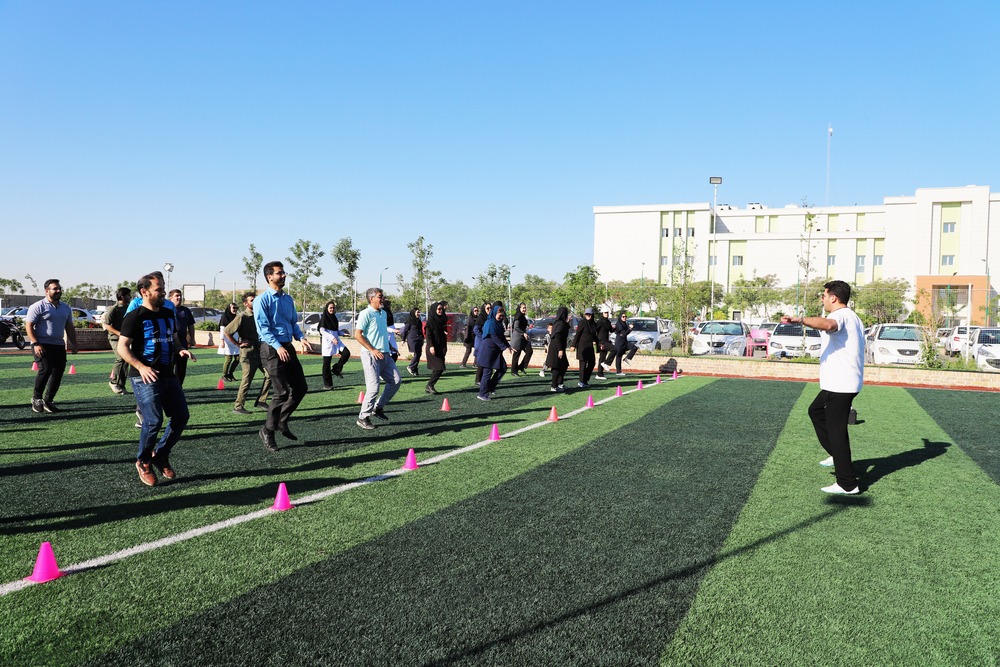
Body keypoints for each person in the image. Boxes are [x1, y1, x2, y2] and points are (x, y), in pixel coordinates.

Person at [781, 280, 865, 495]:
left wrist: (799, 319)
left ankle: (848, 484)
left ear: (834, 298)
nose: (822, 299)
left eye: (824, 295)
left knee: (837, 432)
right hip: (838, 383)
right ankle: (836, 455)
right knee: (815, 410)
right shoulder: (852, 316)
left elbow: (829, 325)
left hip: (842, 385)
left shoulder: (840, 316)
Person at [117, 273, 196, 486]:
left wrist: (181, 350)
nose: (163, 292)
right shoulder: (135, 316)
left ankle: (160, 455)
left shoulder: (168, 314)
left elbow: (175, 338)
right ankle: (143, 461)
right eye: (159, 289)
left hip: (168, 374)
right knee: (153, 421)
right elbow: (122, 347)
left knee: (181, 416)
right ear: (145, 292)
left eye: (163, 288)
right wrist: (142, 367)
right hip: (144, 376)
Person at [253, 261, 312, 451]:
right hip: (271, 349)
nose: (284, 275)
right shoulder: (261, 300)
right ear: (269, 277)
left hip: (287, 347)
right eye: (280, 273)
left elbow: (293, 323)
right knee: (281, 392)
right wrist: (278, 347)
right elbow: (263, 329)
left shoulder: (288, 299)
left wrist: (301, 338)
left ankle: (281, 421)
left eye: (284, 272)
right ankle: (267, 430)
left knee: (301, 387)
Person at [25, 278, 79, 413]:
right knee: (46, 369)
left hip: (58, 344)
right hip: (42, 344)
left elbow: (69, 326)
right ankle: (36, 398)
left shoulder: (66, 308)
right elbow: (29, 326)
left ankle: (49, 400)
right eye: (55, 288)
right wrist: (36, 343)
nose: (58, 291)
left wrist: (74, 342)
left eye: (59, 288)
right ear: (47, 291)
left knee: (58, 372)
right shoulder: (37, 306)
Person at [354, 287, 402, 430]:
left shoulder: (383, 313)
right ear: (371, 298)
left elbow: (380, 334)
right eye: (380, 297)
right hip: (371, 355)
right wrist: (373, 349)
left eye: (382, 296)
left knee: (396, 381)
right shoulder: (365, 314)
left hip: (385, 354)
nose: (382, 299)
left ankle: (378, 408)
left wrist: (389, 347)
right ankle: (363, 417)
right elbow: (358, 335)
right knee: (373, 387)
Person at [225, 292, 271, 414]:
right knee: (247, 380)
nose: (254, 302)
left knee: (270, 374)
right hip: (248, 353)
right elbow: (227, 331)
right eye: (251, 300)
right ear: (245, 303)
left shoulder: (259, 315)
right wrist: (237, 344)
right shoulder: (242, 316)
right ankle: (238, 406)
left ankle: (261, 400)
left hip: (260, 351)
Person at [477, 301, 511, 401]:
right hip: (488, 350)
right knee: (487, 372)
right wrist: (504, 347)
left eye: (502, 316)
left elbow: (501, 337)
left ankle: (490, 387)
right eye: (499, 315)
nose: (501, 317)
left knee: (503, 368)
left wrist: (508, 346)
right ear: (494, 314)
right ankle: (482, 394)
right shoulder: (490, 323)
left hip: (496, 351)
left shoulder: (498, 324)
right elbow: (494, 337)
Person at [102, 286, 132, 395]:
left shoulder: (129, 307)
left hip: (126, 338)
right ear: (122, 296)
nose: (131, 297)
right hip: (115, 338)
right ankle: (114, 382)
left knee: (126, 360)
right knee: (121, 358)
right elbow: (107, 325)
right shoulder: (113, 309)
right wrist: (119, 333)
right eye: (129, 295)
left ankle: (121, 385)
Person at [318, 300, 350, 389]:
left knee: (346, 353)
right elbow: (322, 331)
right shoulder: (324, 318)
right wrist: (332, 338)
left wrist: (342, 333)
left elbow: (335, 331)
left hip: (337, 341)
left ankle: (336, 369)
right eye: (330, 308)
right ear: (327, 308)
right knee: (326, 364)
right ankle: (328, 384)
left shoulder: (334, 318)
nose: (332, 309)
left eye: (333, 308)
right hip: (328, 342)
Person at [168, 289, 196, 386]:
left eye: (180, 295)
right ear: (170, 298)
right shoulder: (166, 309)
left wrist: (192, 338)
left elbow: (191, 325)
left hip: (183, 343)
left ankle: (179, 388)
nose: (179, 297)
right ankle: (168, 390)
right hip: (169, 344)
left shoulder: (186, 310)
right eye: (177, 296)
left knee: (181, 368)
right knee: (168, 368)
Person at [424, 300, 448, 394]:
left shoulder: (441, 319)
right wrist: (431, 346)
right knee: (439, 368)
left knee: (439, 368)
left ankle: (429, 386)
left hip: (440, 346)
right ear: (434, 310)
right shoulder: (431, 321)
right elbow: (428, 335)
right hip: (432, 347)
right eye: (438, 309)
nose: (440, 310)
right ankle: (430, 386)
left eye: (441, 309)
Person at [546, 306, 571, 391]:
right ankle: (554, 386)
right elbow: (557, 336)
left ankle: (560, 383)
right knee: (556, 367)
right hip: (556, 347)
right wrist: (560, 349)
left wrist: (568, 323)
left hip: (558, 347)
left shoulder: (560, 323)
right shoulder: (560, 324)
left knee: (564, 365)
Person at [571, 307, 598, 388]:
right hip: (582, 347)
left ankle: (585, 380)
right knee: (582, 365)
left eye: (589, 314)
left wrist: (599, 343)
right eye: (586, 314)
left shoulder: (593, 324)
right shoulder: (582, 323)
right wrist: (573, 345)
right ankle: (581, 381)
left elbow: (594, 336)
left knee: (592, 363)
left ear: (592, 315)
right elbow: (577, 334)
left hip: (590, 347)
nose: (588, 315)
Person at [218, 302, 240, 382]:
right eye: (233, 308)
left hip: (235, 340)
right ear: (229, 308)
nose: (235, 310)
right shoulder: (225, 317)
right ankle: (224, 375)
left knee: (238, 358)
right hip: (227, 340)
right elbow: (222, 330)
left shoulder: (237, 317)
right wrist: (222, 341)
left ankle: (230, 374)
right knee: (228, 359)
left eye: (236, 308)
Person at [510, 302, 533, 376]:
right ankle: (513, 371)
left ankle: (521, 366)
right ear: (519, 308)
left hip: (523, 338)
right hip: (518, 338)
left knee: (529, 351)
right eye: (523, 308)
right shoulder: (518, 316)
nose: (524, 309)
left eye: (525, 308)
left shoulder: (523, 316)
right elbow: (516, 327)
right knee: (517, 354)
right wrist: (523, 333)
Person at [401, 306, 424, 376]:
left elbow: (420, 330)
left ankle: (414, 370)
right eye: (417, 312)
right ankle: (411, 366)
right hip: (412, 339)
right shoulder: (409, 321)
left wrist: (422, 338)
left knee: (419, 354)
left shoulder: (419, 321)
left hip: (419, 339)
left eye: (419, 312)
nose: (418, 314)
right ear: (413, 313)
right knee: (417, 353)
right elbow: (405, 331)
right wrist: (403, 340)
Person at [594, 307, 614, 381]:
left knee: (602, 358)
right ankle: (606, 363)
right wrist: (598, 344)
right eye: (605, 313)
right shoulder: (600, 322)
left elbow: (611, 330)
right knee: (614, 348)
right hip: (601, 342)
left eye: (607, 313)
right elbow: (595, 332)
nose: (607, 314)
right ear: (602, 313)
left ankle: (600, 374)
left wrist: (616, 327)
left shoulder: (607, 322)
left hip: (606, 341)